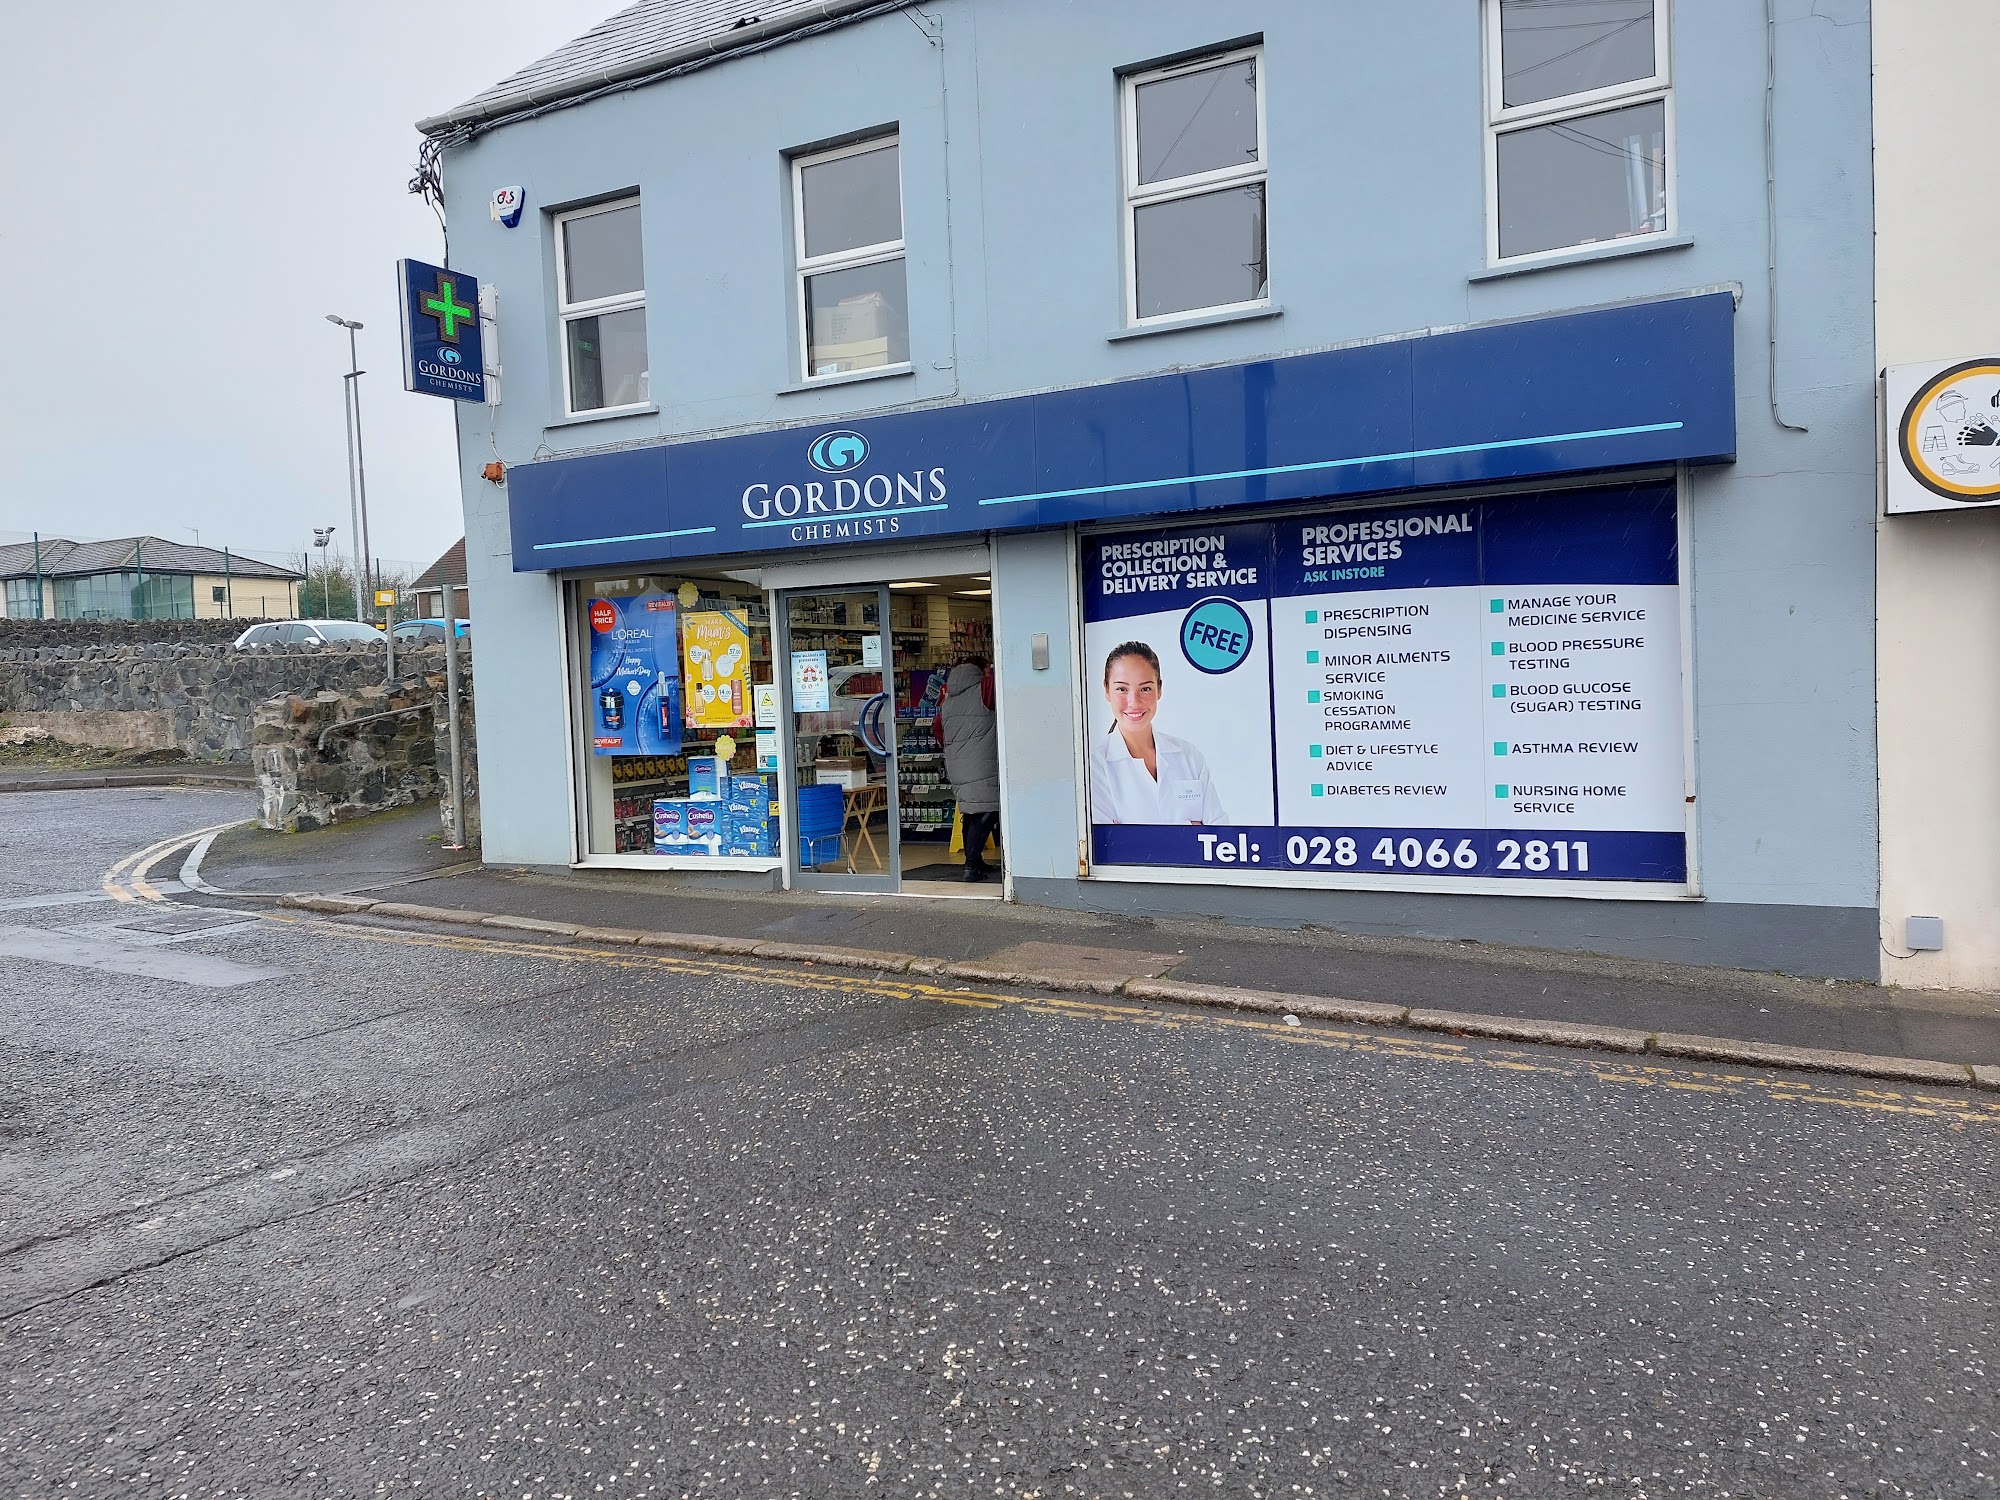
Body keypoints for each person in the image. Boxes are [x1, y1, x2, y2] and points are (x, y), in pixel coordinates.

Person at [1089, 640, 1227, 824]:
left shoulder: (1189, 756)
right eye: (1121, 689)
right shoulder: (1094, 767)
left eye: (1145, 689)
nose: (1134, 702)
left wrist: (1131, 836)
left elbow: (1220, 839)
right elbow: (1108, 848)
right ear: (1106, 690)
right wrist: (1189, 830)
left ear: (1159, 689)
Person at [938, 654, 1001, 880]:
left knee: (970, 811)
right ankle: (971, 867)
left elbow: (937, 728)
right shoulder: (984, 688)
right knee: (986, 811)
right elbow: (1002, 678)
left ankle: (975, 862)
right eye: (986, 671)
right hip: (981, 761)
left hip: (957, 763)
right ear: (979, 672)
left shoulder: (948, 697)